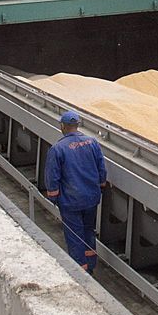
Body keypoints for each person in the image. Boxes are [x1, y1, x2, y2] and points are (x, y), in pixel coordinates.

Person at [43, 110, 109, 273]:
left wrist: (53, 197)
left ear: (63, 126)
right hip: (91, 198)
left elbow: (52, 177)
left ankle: (80, 272)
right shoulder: (92, 142)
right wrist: (100, 186)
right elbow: (102, 168)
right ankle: (91, 265)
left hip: (71, 201)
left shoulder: (58, 149)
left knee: (75, 236)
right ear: (77, 125)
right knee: (89, 231)